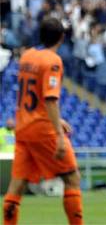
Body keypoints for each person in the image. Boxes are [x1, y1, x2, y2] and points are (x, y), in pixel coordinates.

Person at [2, 17, 83, 225]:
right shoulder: (53, 61)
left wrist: (56, 117)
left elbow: (36, 95)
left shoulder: (27, 56)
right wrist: (58, 134)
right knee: (72, 177)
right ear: (62, 38)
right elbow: (49, 98)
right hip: (41, 129)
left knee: (16, 185)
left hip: (23, 127)